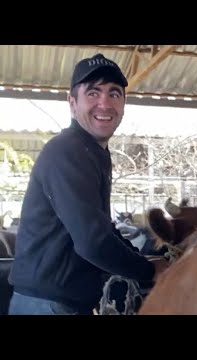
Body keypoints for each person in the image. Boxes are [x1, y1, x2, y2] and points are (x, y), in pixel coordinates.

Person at [8, 53, 168, 315]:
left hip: (62, 301)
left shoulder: (93, 152)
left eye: (114, 94)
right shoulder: (67, 151)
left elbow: (101, 228)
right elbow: (93, 242)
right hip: (47, 304)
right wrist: (149, 271)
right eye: (93, 93)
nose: (104, 103)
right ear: (72, 102)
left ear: (124, 104)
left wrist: (142, 259)